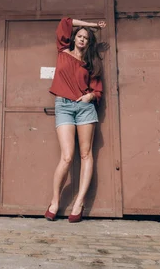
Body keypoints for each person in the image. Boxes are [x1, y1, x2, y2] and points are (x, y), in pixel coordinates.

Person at [45, 17, 106, 223]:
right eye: (79, 36)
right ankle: (55, 201)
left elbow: (97, 89)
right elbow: (65, 21)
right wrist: (92, 26)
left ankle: (79, 203)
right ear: (74, 38)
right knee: (67, 156)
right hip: (63, 106)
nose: (81, 40)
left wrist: (90, 96)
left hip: (85, 108)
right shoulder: (62, 52)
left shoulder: (91, 63)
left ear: (89, 43)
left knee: (86, 154)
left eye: (85, 38)